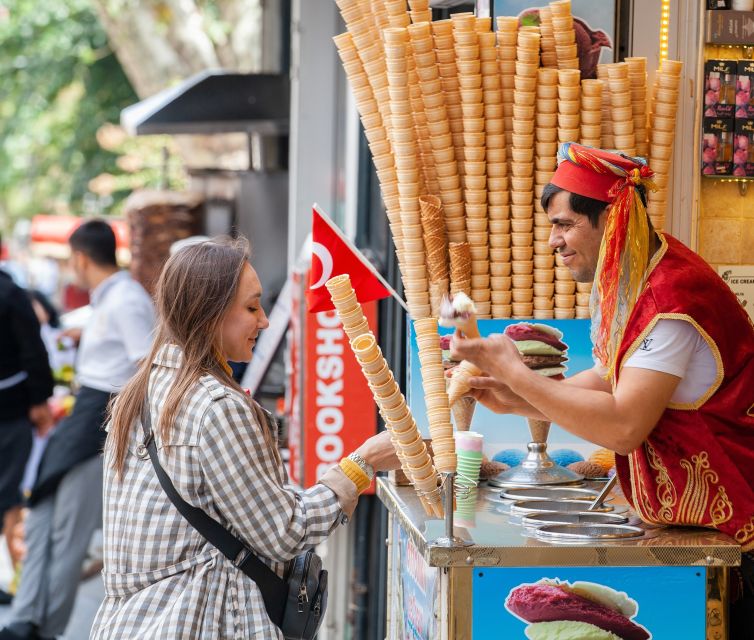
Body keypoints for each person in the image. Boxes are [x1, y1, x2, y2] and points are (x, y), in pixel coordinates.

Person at [89, 237, 399, 639]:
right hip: (197, 623)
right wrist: (364, 463)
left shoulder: (142, 391)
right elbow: (285, 532)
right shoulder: (216, 407)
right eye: (252, 307)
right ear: (210, 314)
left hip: (131, 623)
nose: (265, 320)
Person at [453, 142, 754, 550]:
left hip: (735, 535)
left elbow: (623, 427)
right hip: (691, 525)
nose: (552, 242)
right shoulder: (632, 278)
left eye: (564, 224)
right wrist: (509, 396)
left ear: (613, 219)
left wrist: (517, 374)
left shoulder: (670, 299)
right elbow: (606, 380)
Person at [0, 220, 156, 640]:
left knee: (68, 532)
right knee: (41, 520)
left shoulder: (125, 300)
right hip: (86, 414)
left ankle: (42, 629)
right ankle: (24, 619)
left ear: (81, 258)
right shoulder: (114, 299)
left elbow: (149, 369)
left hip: (99, 421)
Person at [0, 271, 54, 606]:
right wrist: (39, 399)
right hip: (11, 410)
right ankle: (19, 583)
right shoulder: (10, 293)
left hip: (11, 406)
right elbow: (33, 349)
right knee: (10, 496)